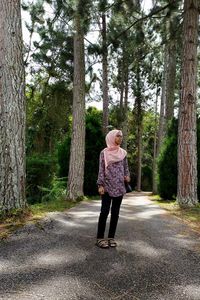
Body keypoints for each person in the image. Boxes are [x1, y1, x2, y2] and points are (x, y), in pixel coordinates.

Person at [96, 129, 130, 249]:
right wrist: (100, 185)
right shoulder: (104, 153)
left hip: (119, 187)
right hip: (106, 187)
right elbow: (101, 169)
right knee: (104, 212)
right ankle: (100, 238)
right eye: (118, 136)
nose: (120, 138)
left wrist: (127, 176)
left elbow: (126, 167)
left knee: (115, 213)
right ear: (111, 137)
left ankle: (111, 237)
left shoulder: (123, 153)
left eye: (121, 136)